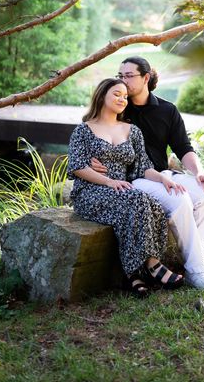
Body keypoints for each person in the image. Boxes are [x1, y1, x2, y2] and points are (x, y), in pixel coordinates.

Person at [91, 57, 204, 290]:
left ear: (146, 78)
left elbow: (184, 148)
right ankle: (196, 269)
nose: (123, 81)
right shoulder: (118, 106)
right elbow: (93, 127)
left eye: (129, 76)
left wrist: (199, 172)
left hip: (162, 173)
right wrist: (93, 159)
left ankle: (195, 260)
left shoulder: (167, 110)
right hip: (133, 179)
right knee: (179, 199)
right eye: (120, 75)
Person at [68, 77, 184, 298]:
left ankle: (133, 274)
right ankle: (151, 265)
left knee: (153, 205)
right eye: (116, 94)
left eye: (124, 96)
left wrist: (163, 179)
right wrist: (109, 181)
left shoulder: (132, 131)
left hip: (121, 190)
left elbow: (143, 167)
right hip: (91, 191)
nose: (122, 99)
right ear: (102, 95)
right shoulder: (83, 130)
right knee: (136, 199)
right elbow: (77, 166)